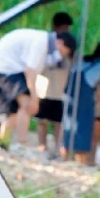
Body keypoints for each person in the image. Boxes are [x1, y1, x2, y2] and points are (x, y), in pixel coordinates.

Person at [0, 26, 76, 149]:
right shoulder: (41, 43)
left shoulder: (41, 41)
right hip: (7, 68)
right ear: (60, 43)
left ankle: (2, 144)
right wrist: (35, 98)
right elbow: (30, 71)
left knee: (12, 112)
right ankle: (22, 145)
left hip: (0, 67)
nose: (63, 54)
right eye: (65, 51)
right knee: (27, 105)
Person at [35, 12, 74, 154]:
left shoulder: (70, 43)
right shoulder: (45, 42)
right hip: (43, 88)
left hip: (60, 90)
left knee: (58, 123)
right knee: (42, 120)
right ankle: (42, 147)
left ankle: (58, 149)